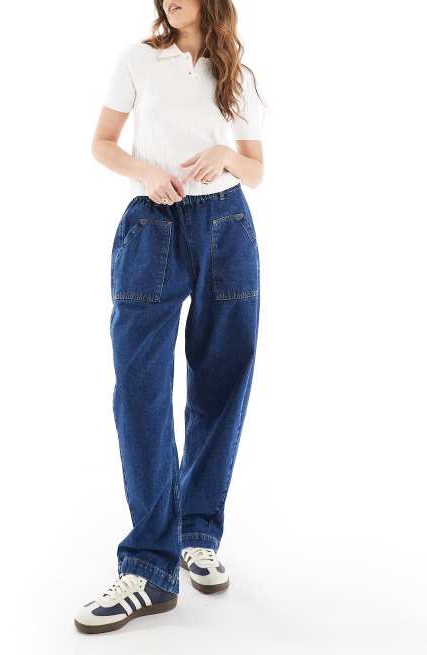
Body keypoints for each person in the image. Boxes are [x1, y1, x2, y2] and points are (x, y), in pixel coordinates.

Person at [75, 0, 265, 634]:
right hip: (151, 229)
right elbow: (102, 143)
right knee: (141, 393)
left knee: (221, 384)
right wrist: (146, 171)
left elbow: (256, 168)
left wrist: (225, 153)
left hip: (228, 227)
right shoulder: (137, 59)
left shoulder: (236, 70)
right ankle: (149, 569)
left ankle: (197, 533)